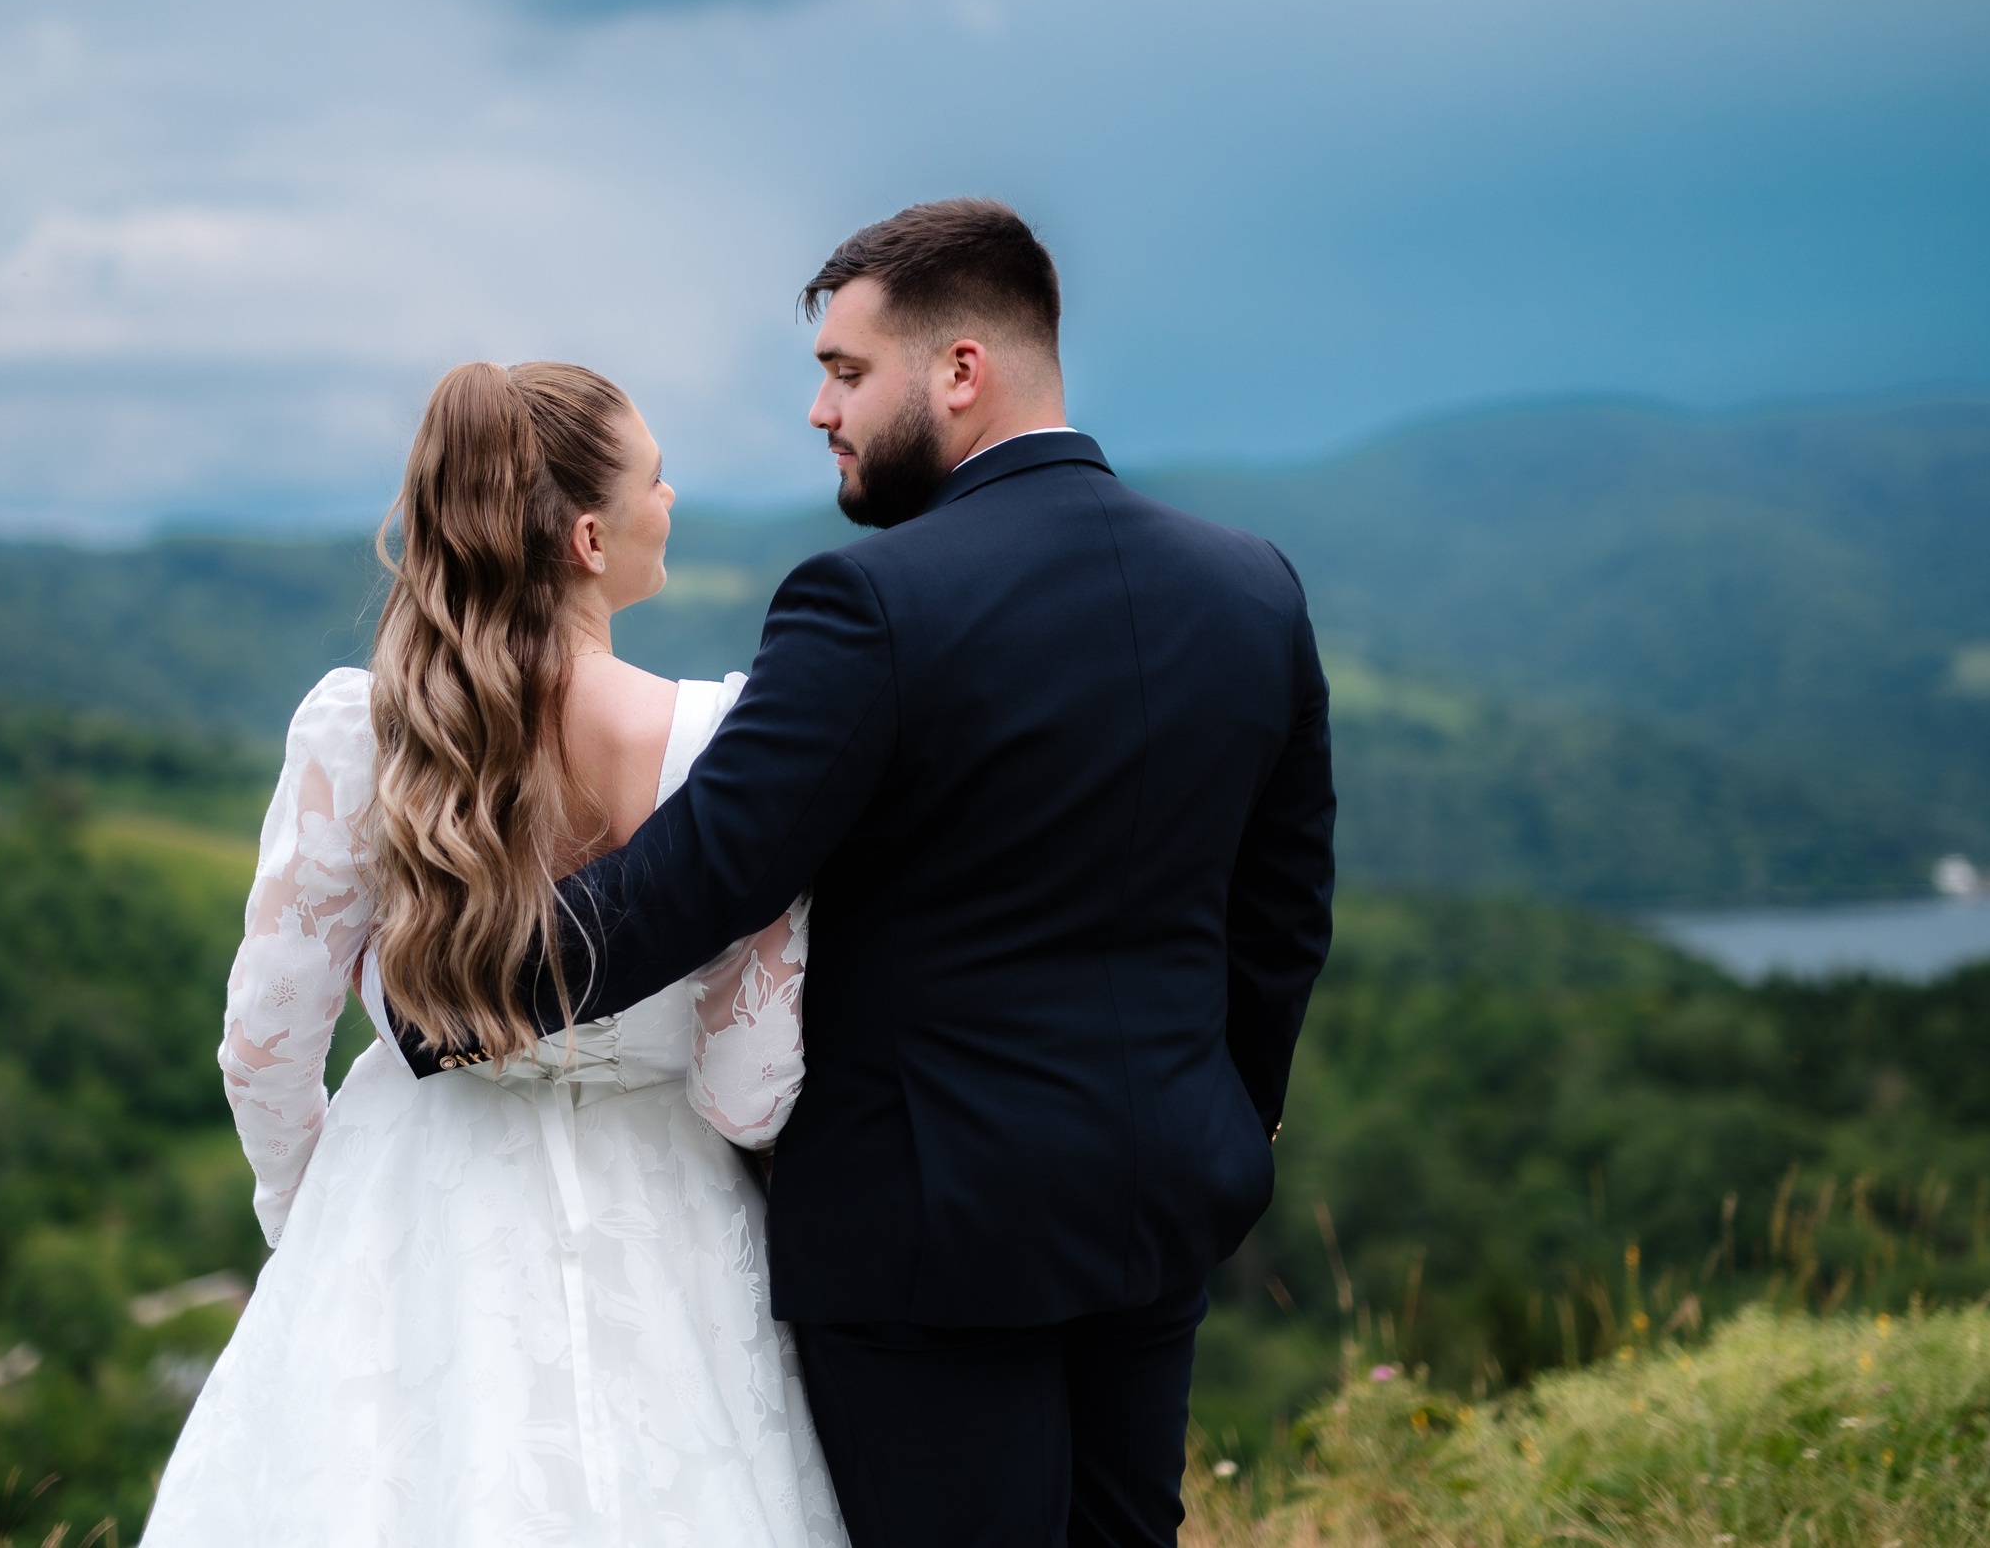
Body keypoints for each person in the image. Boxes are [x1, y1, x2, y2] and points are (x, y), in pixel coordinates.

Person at [394, 199, 1337, 1547]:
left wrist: (447, 995)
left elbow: (700, 877)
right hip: (1159, 1196)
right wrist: (1235, 1115)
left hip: (928, 1236)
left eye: (845, 372)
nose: (822, 413)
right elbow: (1282, 905)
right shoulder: (1251, 588)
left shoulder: (870, 604)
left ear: (959, 371)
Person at [142, 362, 842, 1546]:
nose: (670, 498)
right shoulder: (710, 748)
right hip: (662, 1214)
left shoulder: (355, 735)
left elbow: (264, 1043)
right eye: (655, 477)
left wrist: (311, 1217)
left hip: (407, 1194)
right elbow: (750, 1083)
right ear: (587, 535)